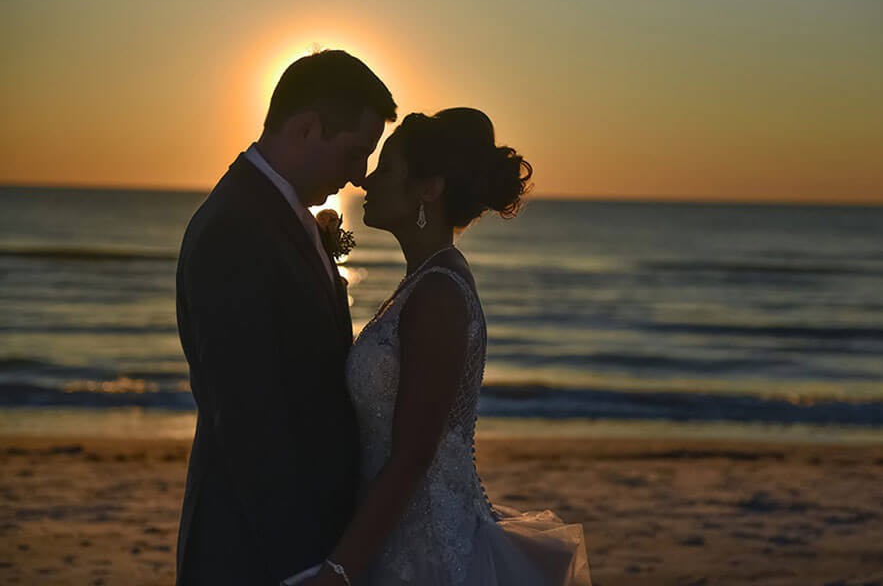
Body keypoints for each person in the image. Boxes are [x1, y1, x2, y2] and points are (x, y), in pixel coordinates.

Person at [304, 108, 592, 585]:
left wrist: (340, 569)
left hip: (427, 552)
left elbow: (413, 454)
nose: (367, 181)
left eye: (388, 168)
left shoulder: (438, 293)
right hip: (395, 536)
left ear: (428, 189)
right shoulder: (421, 282)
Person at [174, 50, 396, 585]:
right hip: (254, 551)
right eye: (355, 151)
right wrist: (302, 568)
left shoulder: (279, 215)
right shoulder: (235, 230)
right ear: (305, 129)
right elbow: (250, 416)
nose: (359, 174)